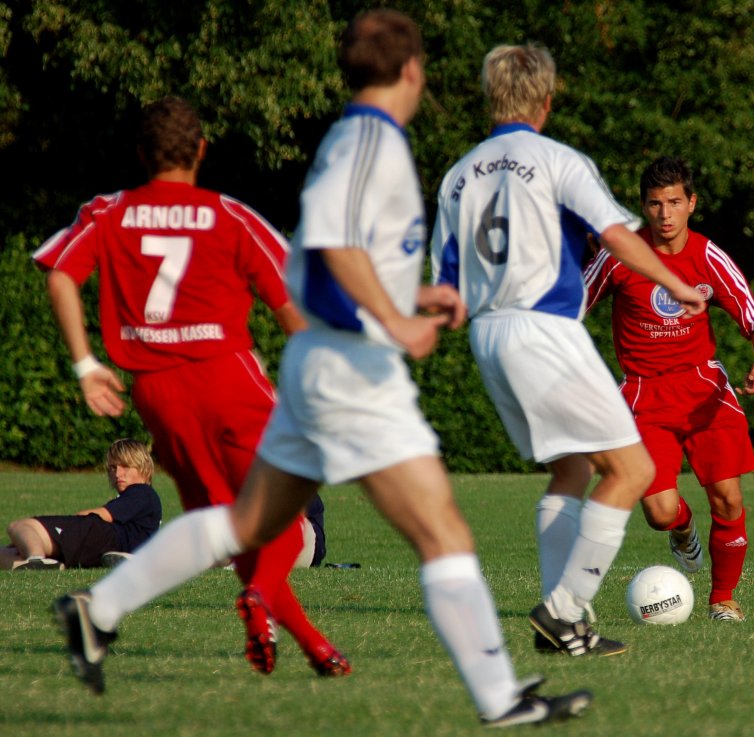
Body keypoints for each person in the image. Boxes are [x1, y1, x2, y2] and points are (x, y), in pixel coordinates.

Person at [52, 10, 592, 726]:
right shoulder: (374, 139)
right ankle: (501, 700)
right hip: (352, 369)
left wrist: (411, 295)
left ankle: (98, 610)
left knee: (243, 522)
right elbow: (336, 247)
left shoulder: (355, 136)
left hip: (322, 363)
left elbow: (330, 260)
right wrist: (397, 319)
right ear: (412, 71)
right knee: (442, 531)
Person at [34, 96, 350, 678]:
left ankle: (314, 645)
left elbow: (60, 274)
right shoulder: (229, 215)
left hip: (158, 391)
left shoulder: (107, 211)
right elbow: (292, 307)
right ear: (202, 151)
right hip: (226, 376)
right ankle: (242, 601)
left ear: (140, 154)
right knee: (287, 507)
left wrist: (85, 364)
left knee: (226, 525)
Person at [429, 44, 707, 656]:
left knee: (572, 469)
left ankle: (562, 626)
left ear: (490, 98)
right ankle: (564, 609)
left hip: (488, 336)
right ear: (547, 101)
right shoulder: (557, 161)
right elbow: (617, 235)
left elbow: (446, 287)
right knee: (633, 471)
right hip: (543, 329)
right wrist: (676, 283)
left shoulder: (458, 175)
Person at [584, 156, 754, 621]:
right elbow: (572, 307)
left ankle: (723, 599)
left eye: (673, 202)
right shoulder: (621, 254)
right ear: (643, 207)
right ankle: (682, 529)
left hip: (704, 390)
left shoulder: (709, 257)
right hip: (643, 396)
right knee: (660, 512)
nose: (665, 213)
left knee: (728, 498)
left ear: (692, 203)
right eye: (655, 204)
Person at [1, 438, 161, 571]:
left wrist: (72, 523)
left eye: (125, 466)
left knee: (21, 526)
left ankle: (36, 559)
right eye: (113, 468)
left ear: (143, 467)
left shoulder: (142, 492)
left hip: (96, 536)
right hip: (99, 547)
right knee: (6, 552)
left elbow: (103, 515)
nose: (117, 474)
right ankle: (44, 564)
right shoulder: (141, 500)